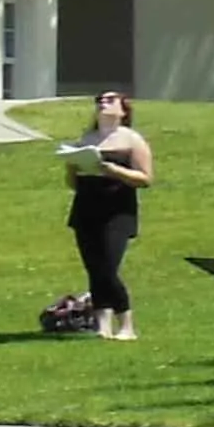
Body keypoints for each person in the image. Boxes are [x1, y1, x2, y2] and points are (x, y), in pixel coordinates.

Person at [61, 88, 152, 338]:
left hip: (118, 211)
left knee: (108, 268)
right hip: (86, 208)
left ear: (123, 110)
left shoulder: (132, 139)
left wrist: (112, 170)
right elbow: (73, 183)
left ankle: (126, 326)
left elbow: (145, 178)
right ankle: (103, 325)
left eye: (110, 100)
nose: (103, 103)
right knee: (94, 268)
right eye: (99, 99)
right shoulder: (86, 138)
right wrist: (71, 167)